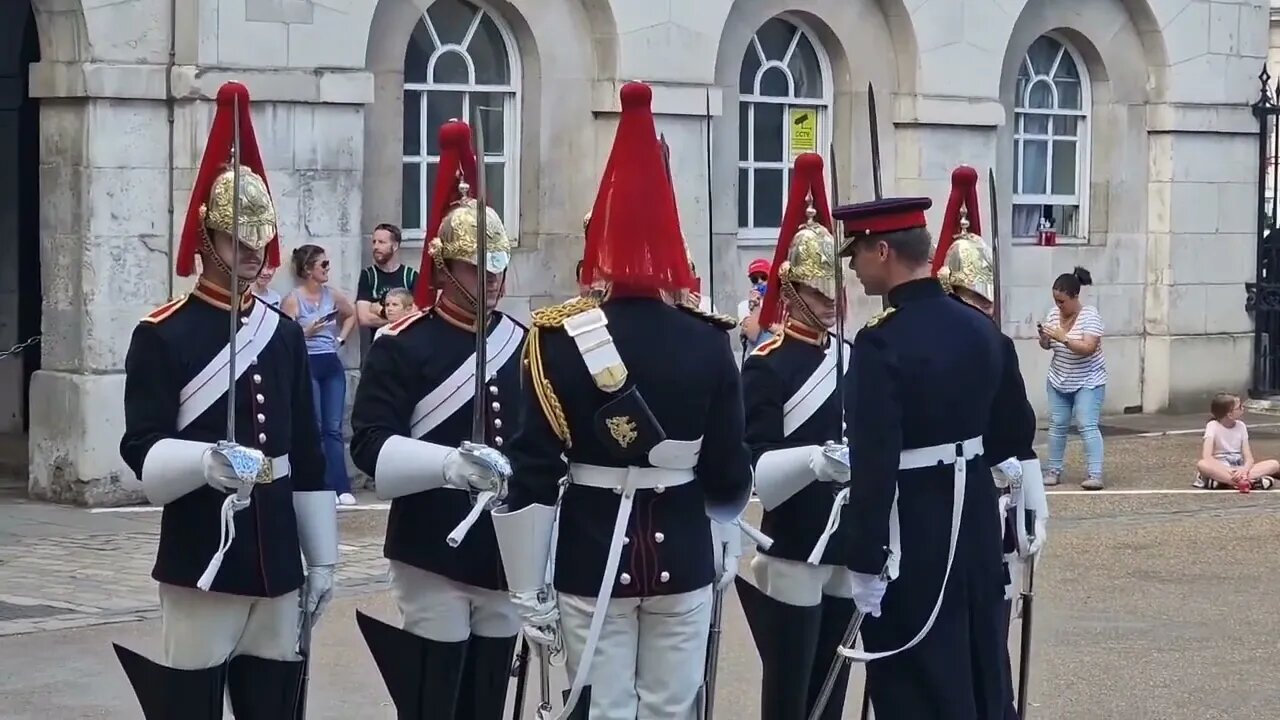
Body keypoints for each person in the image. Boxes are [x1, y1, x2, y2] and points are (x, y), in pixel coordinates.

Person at [491, 81, 754, 720]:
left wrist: (526, 587)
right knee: (671, 709)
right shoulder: (710, 340)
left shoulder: (555, 340)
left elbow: (533, 469)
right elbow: (727, 469)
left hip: (589, 546)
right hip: (686, 549)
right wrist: (723, 537)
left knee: (601, 711)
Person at [113, 81, 337, 718]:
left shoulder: (284, 333)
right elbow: (142, 447)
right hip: (201, 558)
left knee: (276, 707)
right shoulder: (163, 334)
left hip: (276, 558)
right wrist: (200, 462)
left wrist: (320, 558)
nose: (249, 253)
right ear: (207, 239)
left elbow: (307, 454)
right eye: (236, 239)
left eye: (258, 240)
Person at [348, 118, 525, 720]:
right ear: (446, 270)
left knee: (488, 699)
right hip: (433, 541)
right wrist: (449, 465)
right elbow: (369, 446)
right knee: (434, 696)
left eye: (499, 268)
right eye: (480, 269)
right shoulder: (405, 344)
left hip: (505, 548)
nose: (494, 281)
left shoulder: (524, 343)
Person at [831, 193, 1029, 718]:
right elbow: (1014, 434)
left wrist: (866, 558)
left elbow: (874, 463)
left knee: (917, 683)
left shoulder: (879, 345)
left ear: (882, 251)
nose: (852, 267)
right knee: (981, 664)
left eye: (856, 254)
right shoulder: (981, 329)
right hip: (977, 529)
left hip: (913, 534)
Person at [734, 153, 859, 720]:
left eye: (834, 286)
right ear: (793, 287)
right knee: (788, 685)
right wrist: (812, 461)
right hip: (794, 534)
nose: (831, 298)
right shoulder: (768, 363)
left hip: (845, 534)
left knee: (832, 685)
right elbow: (753, 462)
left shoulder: (852, 355)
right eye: (818, 287)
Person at [933, 165, 1047, 720]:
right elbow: (1015, 432)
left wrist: (1028, 495)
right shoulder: (989, 343)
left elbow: (1016, 433)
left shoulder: (984, 343)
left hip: (974, 504)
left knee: (980, 640)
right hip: (962, 505)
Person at [282, 244, 358, 506]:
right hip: (308, 364)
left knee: (333, 428)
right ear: (307, 269)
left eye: (328, 264)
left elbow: (351, 315)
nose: (327, 269)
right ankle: (320, 485)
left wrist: (340, 338)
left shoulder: (332, 295)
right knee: (313, 426)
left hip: (330, 362)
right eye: (322, 265)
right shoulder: (294, 299)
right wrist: (307, 332)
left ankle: (341, 486)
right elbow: (285, 337)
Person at [1038, 266, 1107, 489]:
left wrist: (1064, 338)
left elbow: (1088, 347)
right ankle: (1053, 470)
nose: (1058, 306)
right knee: (1057, 425)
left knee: (1087, 424)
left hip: (1088, 380)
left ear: (1075, 296)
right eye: (1056, 301)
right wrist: (1045, 339)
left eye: (1062, 301)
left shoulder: (1090, 316)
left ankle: (1094, 474)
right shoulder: (1052, 314)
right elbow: (1046, 346)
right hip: (1059, 378)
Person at [1195, 392, 1278, 490]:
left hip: (1239, 467)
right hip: (1221, 467)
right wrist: (1230, 470)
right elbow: (1207, 457)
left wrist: (1244, 470)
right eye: (1239, 407)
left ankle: (1226, 482)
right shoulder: (1212, 426)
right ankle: (1248, 482)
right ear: (1229, 414)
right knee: (1202, 464)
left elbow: (1249, 458)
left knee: (1274, 464)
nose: (1243, 408)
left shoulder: (1241, 426)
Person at [357, 222, 420, 344]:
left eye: (381, 242)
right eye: (374, 242)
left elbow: (417, 315)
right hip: (379, 344)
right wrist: (400, 317)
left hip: (406, 343)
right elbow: (364, 318)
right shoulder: (368, 275)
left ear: (395, 246)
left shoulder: (410, 275)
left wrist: (378, 310)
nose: (376, 246)